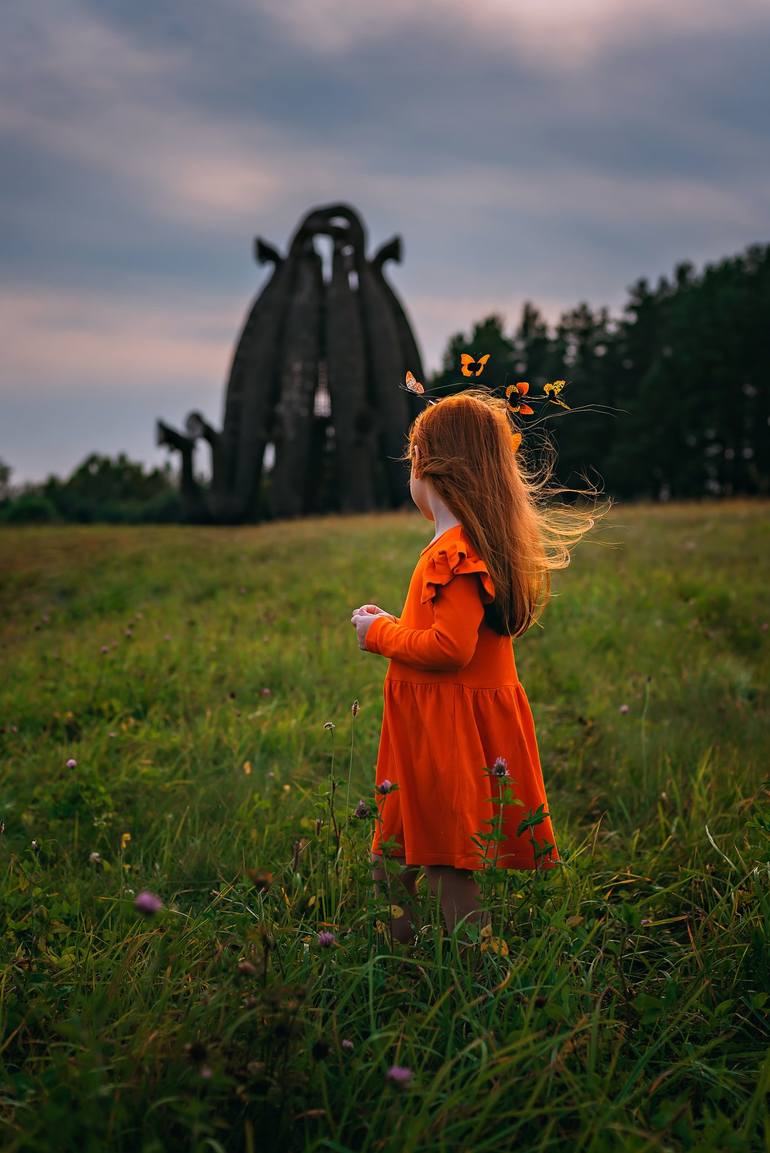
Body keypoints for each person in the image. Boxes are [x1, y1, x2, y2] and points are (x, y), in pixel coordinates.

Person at [350, 387, 604, 945]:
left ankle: (473, 972)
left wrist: (380, 635)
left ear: (426, 466)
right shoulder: (460, 545)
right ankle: (401, 965)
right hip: (423, 725)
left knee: (444, 862)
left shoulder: (455, 552)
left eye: (410, 460)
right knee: (393, 854)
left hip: (445, 730)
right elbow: (446, 633)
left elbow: (450, 650)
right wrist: (396, 622)